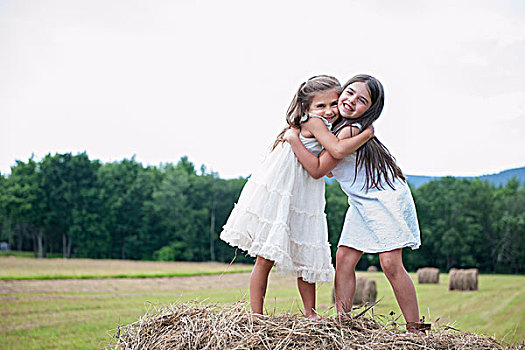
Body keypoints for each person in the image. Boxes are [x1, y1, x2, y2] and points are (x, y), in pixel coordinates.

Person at [220, 75, 374, 318]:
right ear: (306, 107)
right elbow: (334, 150)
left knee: (306, 254)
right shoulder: (314, 122)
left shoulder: (323, 124)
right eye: (320, 106)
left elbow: (325, 160)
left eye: (333, 104)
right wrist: (366, 135)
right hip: (287, 190)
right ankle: (257, 315)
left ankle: (310, 314)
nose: (329, 111)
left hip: (304, 192)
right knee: (265, 257)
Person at [285, 74, 428, 333]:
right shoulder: (337, 127)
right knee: (345, 257)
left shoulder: (351, 128)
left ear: (370, 110)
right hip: (361, 200)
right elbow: (332, 166)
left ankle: (415, 329)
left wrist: (295, 140)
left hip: (385, 197)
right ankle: (344, 322)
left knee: (390, 263)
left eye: (362, 100)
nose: (351, 101)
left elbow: (326, 163)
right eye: (349, 92)